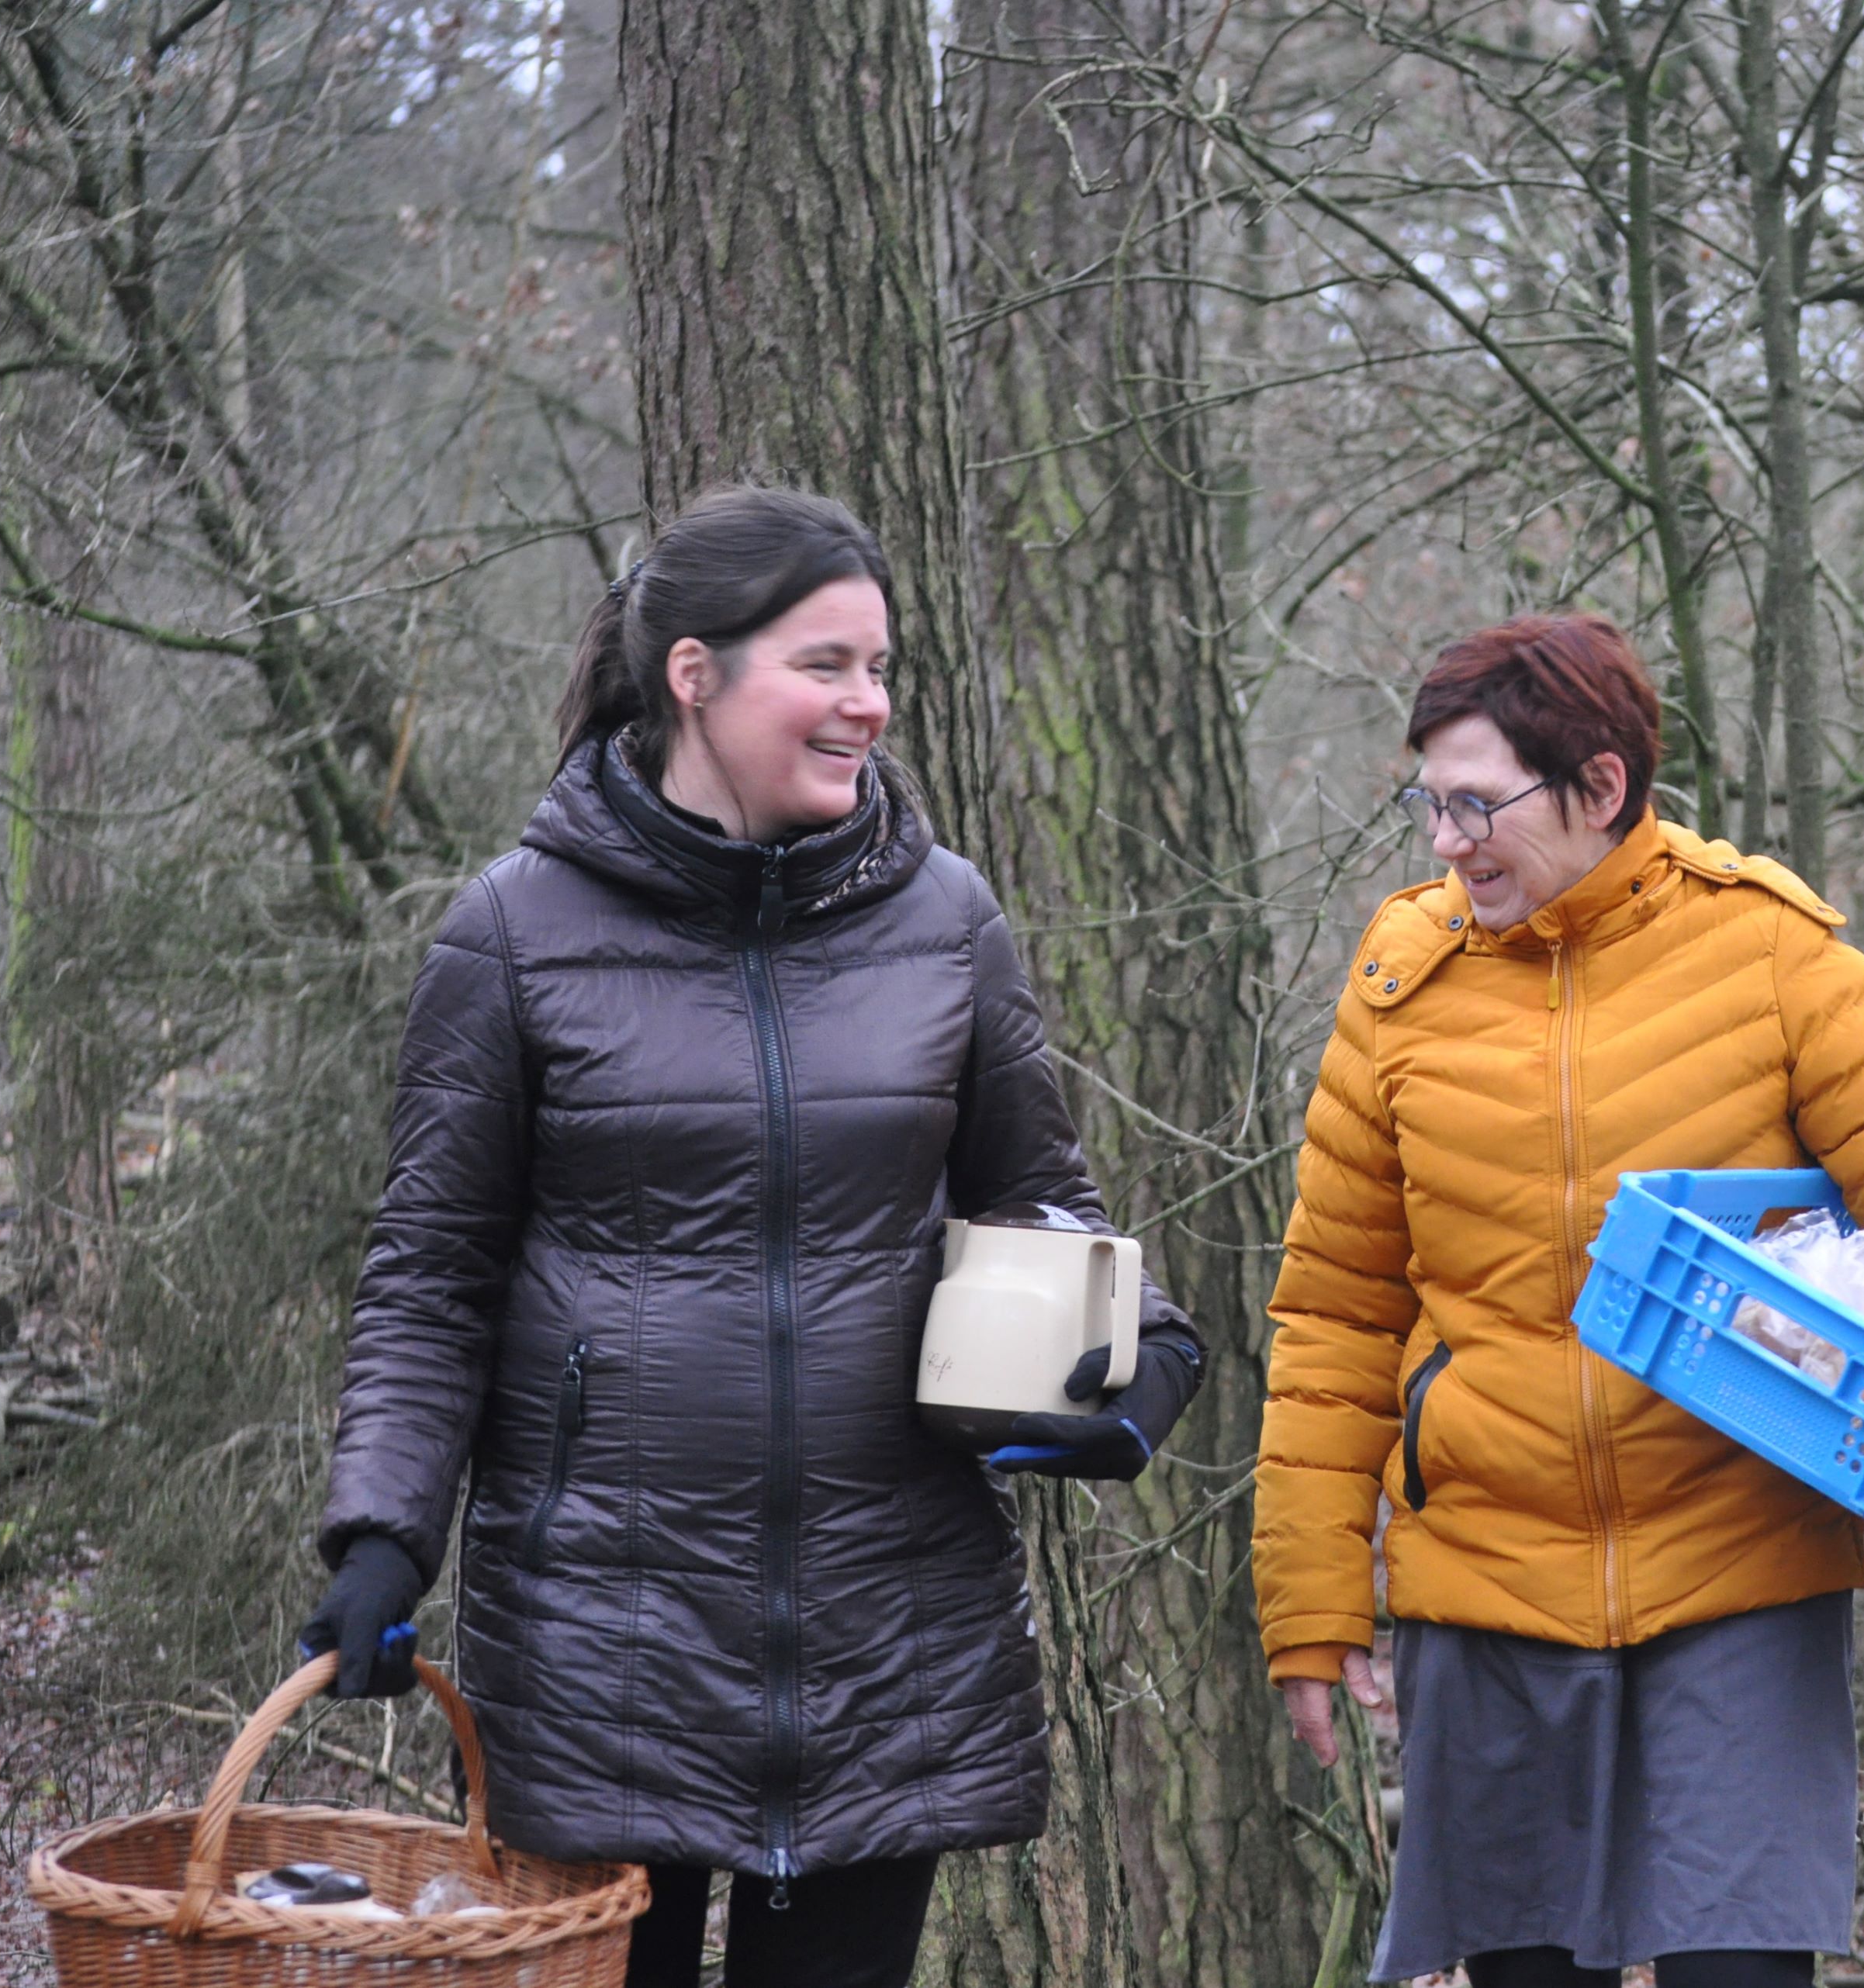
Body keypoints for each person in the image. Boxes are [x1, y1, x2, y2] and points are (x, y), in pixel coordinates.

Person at [302, 486, 1201, 1988]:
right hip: (601, 1647)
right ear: (693, 676)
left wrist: (1143, 1360)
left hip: (888, 1636)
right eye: (826, 665)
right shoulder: (513, 931)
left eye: (879, 667)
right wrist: (384, 1534)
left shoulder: (946, 919)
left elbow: (1043, 1206)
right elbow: (431, 1277)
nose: (871, 703)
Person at [1253, 614, 1864, 1988]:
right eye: (1428, 804)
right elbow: (1337, 1315)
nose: (1446, 842)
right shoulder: (1402, 981)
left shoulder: (1769, 953)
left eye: (1476, 806)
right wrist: (1313, 1600)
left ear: (1600, 788)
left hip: (1741, 1576)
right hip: (1487, 1587)